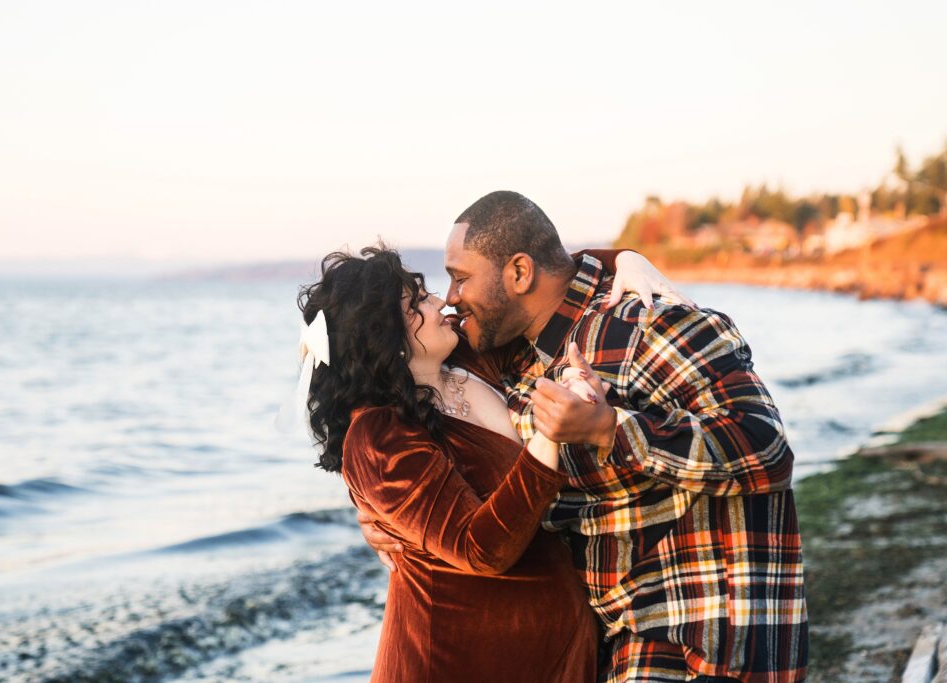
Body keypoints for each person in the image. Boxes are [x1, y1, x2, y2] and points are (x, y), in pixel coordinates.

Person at [360, 191, 808, 683]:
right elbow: (390, 397)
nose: (449, 296)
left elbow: (765, 449)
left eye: (460, 277)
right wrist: (373, 502)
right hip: (608, 641)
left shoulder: (648, 324)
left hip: (703, 631)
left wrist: (608, 429)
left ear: (519, 274)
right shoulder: (509, 359)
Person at [298, 244, 678, 682]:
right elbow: (481, 548)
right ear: (384, 336)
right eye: (416, 302)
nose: (441, 300)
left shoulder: (469, 355)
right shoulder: (378, 436)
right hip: (453, 661)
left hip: (553, 653)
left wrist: (622, 259)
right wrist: (549, 432)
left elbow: (539, 283)